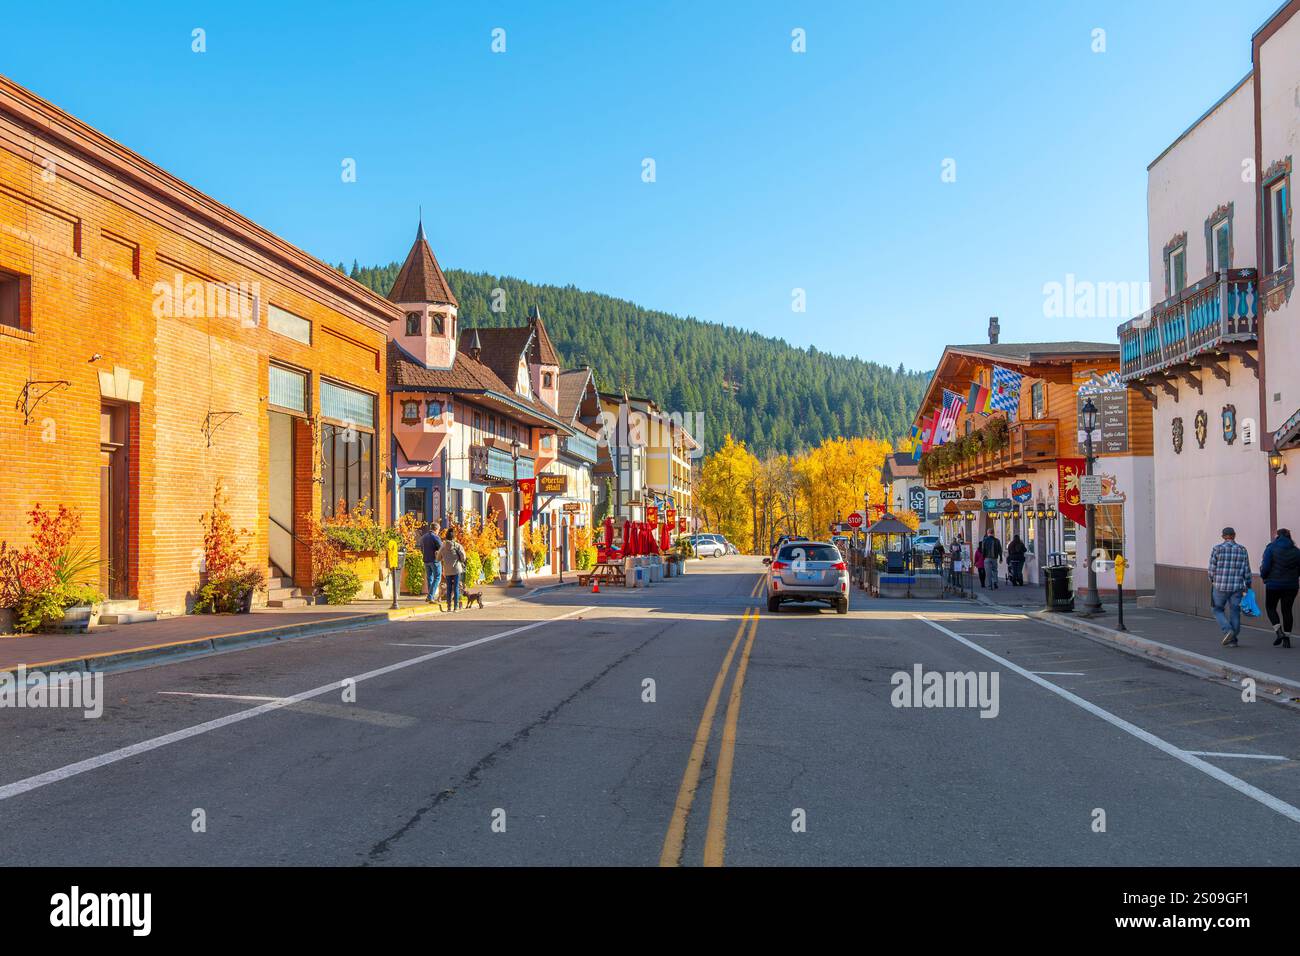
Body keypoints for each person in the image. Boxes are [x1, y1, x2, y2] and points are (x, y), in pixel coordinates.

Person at [1208, 527, 1252, 647]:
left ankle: (1228, 631)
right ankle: (1233, 640)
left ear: (1223, 536)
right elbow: (1247, 570)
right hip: (1237, 587)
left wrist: (1212, 580)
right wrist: (1248, 584)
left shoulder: (1217, 549)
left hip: (1220, 586)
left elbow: (1211, 569)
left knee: (1217, 610)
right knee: (1235, 612)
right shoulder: (1242, 549)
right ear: (1234, 535)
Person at [1260, 528, 1300, 648]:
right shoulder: (1296, 551)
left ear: (1277, 536)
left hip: (1273, 585)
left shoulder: (1271, 548)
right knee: (1287, 610)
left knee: (1270, 607)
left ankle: (1279, 632)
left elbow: (1266, 566)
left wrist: (1264, 576)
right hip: (1291, 586)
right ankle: (1286, 639)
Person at [439, 526, 468, 612]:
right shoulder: (457, 546)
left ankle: (448, 606)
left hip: (447, 570)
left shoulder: (443, 547)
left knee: (448, 587)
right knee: (455, 587)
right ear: (454, 537)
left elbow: (438, 557)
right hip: (456, 569)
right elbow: (463, 557)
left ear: (446, 537)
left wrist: (444, 559)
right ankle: (455, 607)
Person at [419, 522, 444, 605]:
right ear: (436, 529)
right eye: (439, 530)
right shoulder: (435, 537)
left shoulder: (423, 537)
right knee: (437, 577)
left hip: (426, 560)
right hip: (434, 560)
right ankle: (430, 596)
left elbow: (421, 548)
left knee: (430, 578)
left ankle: (431, 596)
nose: (438, 532)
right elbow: (441, 548)